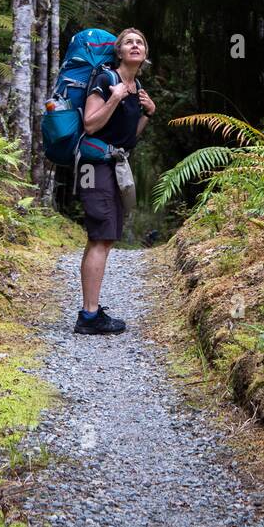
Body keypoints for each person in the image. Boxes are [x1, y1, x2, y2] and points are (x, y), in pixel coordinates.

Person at [73, 27, 155, 335]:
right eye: (128, 42)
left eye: (140, 42)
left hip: (114, 164)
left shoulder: (137, 87)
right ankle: (89, 316)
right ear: (118, 52)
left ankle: (90, 311)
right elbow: (90, 124)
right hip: (94, 166)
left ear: (144, 53)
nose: (135, 45)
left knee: (103, 237)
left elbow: (128, 137)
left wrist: (148, 114)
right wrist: (114, 97)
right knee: (101, 236)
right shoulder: (106, 79)